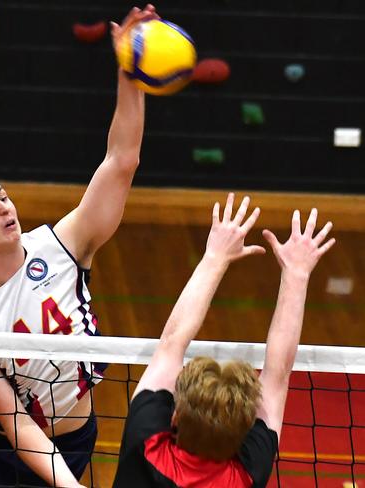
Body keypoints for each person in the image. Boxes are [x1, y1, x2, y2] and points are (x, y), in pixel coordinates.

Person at [0, 5, 159, 487]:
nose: (5, 209)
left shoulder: (64, 245)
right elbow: (15, 423)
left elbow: (121, 160)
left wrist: (129, 72)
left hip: (70, 441)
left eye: (2, 197)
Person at [112, 193, 335, 488]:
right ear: (243, 434)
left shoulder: (146, 446)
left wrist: (215, 257)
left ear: (175, 416)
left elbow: (171, 343)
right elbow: (277, 375)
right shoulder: (246, 476)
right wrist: (296, 274)